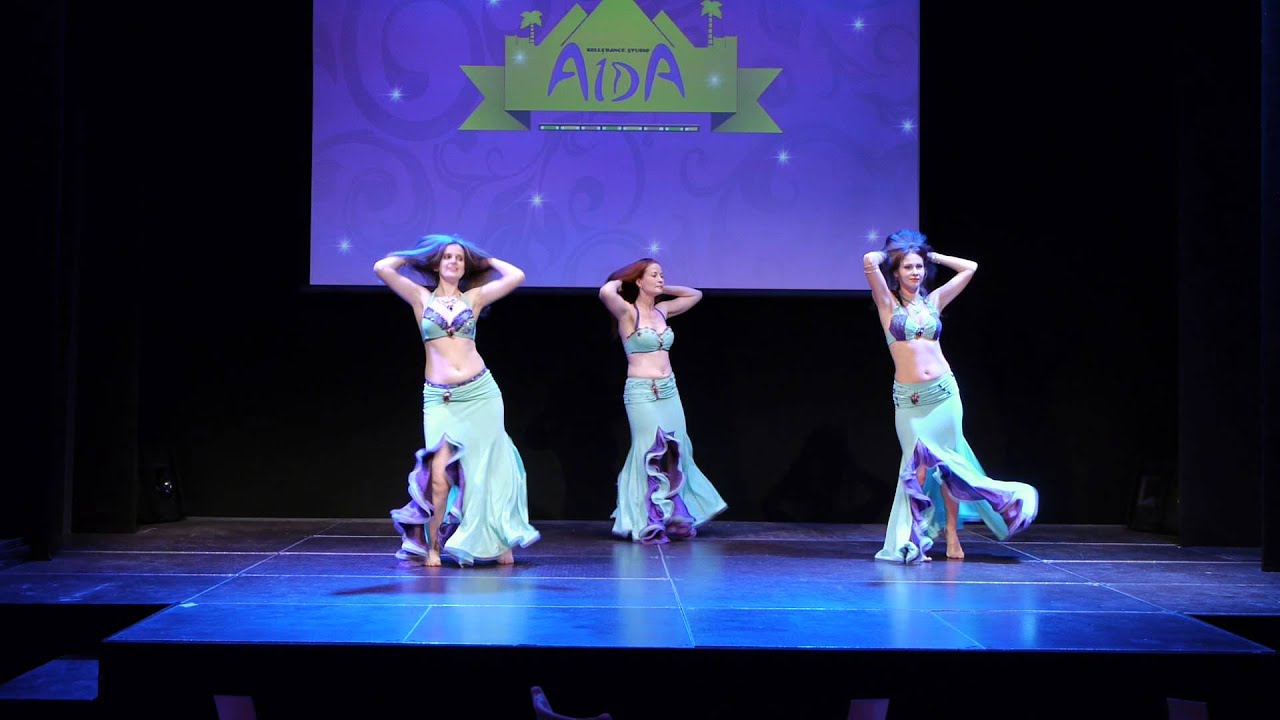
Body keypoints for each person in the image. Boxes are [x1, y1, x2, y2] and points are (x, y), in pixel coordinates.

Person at [863, 230, 1038, 562]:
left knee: (950, 467)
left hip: (945, 394)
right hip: (911, 401)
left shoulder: (933, 302)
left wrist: (931, 256)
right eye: (907, 267)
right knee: (915, 469)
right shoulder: (887, 303)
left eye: (918, 267)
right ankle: (912, 540)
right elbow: (869, 261)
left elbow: (970, 267)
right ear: (896, 272)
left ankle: (953, 536)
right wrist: (894, 254)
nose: (915, 272)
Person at [374, 234, 540, 566]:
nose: (454, 262)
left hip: (481, 394)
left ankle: (498, 541)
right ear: (437, 264)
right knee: (438, 476)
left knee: (486, 470)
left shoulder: (474, 298)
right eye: (448, 257)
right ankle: (433, 546)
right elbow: (383, 267)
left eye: (460, 258)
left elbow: (517, 276)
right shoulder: (420, 297)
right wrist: (420, 254)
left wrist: (484, 260)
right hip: (440, 400)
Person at [598, 258, 727, 543]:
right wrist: (626, 281)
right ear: (638, 281)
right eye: (654, 275)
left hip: (669, 390)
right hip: (642, 392)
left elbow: (695, 295)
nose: (660, 279)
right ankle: (648, 518)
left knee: (676, 449)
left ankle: (675, 514)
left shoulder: (662, 310)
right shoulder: (628, 312)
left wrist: (660, 288)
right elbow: (606, 292)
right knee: (649, 450)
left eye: (662, 275)